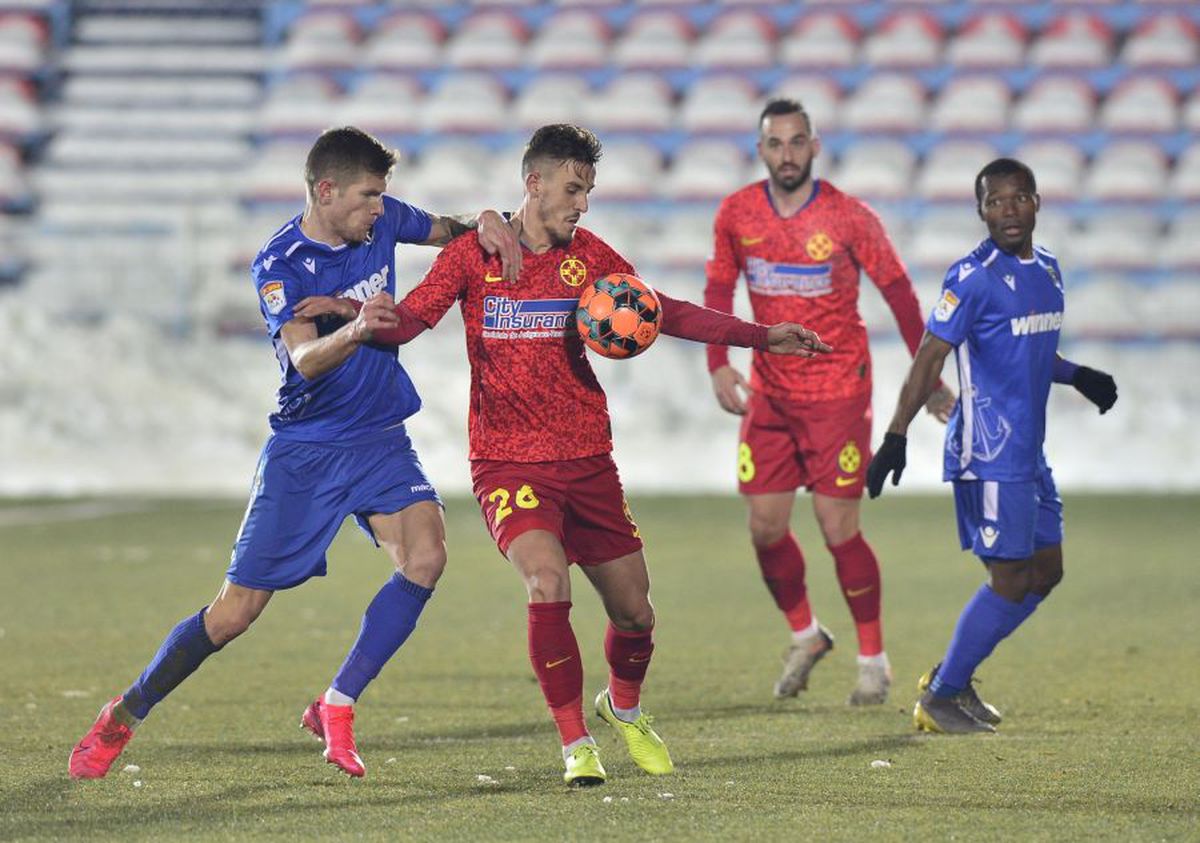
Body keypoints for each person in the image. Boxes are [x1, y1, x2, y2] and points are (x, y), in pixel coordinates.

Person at [301, 124, 831, 785]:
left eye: (589, 192)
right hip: (507, 462)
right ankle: (575, 741)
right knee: (546, 581)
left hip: (587, 459)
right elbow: (408, 322)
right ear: (535, 182)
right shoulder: (474, 256)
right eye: (573, 189)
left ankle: (625, 707)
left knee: (636, 613)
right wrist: (349, 318)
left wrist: (760, 335)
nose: (581, 204)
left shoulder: (592, 258)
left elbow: (663, 311)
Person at [67, 126, 522, 779]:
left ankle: (336, 701)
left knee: (427, 556)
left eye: (382, 197)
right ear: (326, 190)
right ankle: (124, 713)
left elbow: (450, 230)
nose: (378, 208)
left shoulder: (385, 221)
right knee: (233, 615)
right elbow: (304, 358)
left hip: (378, 438)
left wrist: (491, 218)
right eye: (367, 196)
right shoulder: (280, 261)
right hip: (307, 451)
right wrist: (361, 326)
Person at [703, 97, 955, 705]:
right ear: (761, 150)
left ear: (815, 147)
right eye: (775, 143)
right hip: (770, 392)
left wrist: (930, 377)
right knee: (765, 528)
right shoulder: (736, 213)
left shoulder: (849, 217)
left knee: (837, 526)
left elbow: (898, 295)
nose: (786, 154)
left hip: (838, 390)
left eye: (797, 142)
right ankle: (807, 635)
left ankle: (874, 658)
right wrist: (718, 363)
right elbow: (719, 285)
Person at [866, 158, 1118, 733]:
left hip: (1029, 454)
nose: (1008, 210)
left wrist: (1078, 375)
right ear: (980, 211)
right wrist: (895, 436)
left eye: (1018, 198)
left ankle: (952, 675)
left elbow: (1025, 349)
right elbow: (931, 356)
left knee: (1046, 573)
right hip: (986, 452)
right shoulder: (969, 277)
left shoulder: (1049, 269)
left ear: (1037, 201)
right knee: (1009, 581)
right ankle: (941, 696)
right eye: (994, 202)